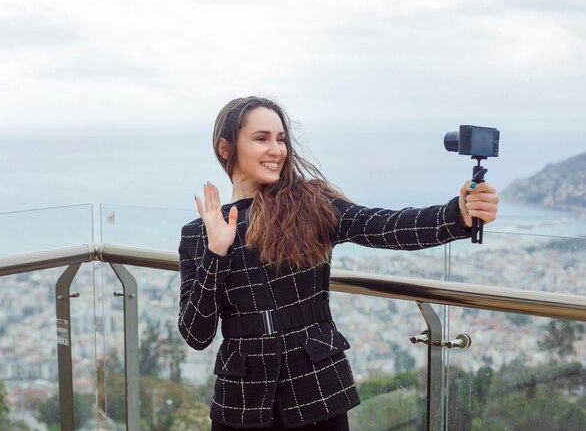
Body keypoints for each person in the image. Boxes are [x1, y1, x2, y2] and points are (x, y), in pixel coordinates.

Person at [178, 96, 500, 430]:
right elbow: (196, 334)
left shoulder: (310, 204)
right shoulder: (196, 235)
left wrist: (457, 216)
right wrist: (216, 252)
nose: (277, 150)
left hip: (317, 390)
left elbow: (384, 226)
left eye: (281, 139)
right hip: (240, 402)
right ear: (226, 148)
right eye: (261, 139)